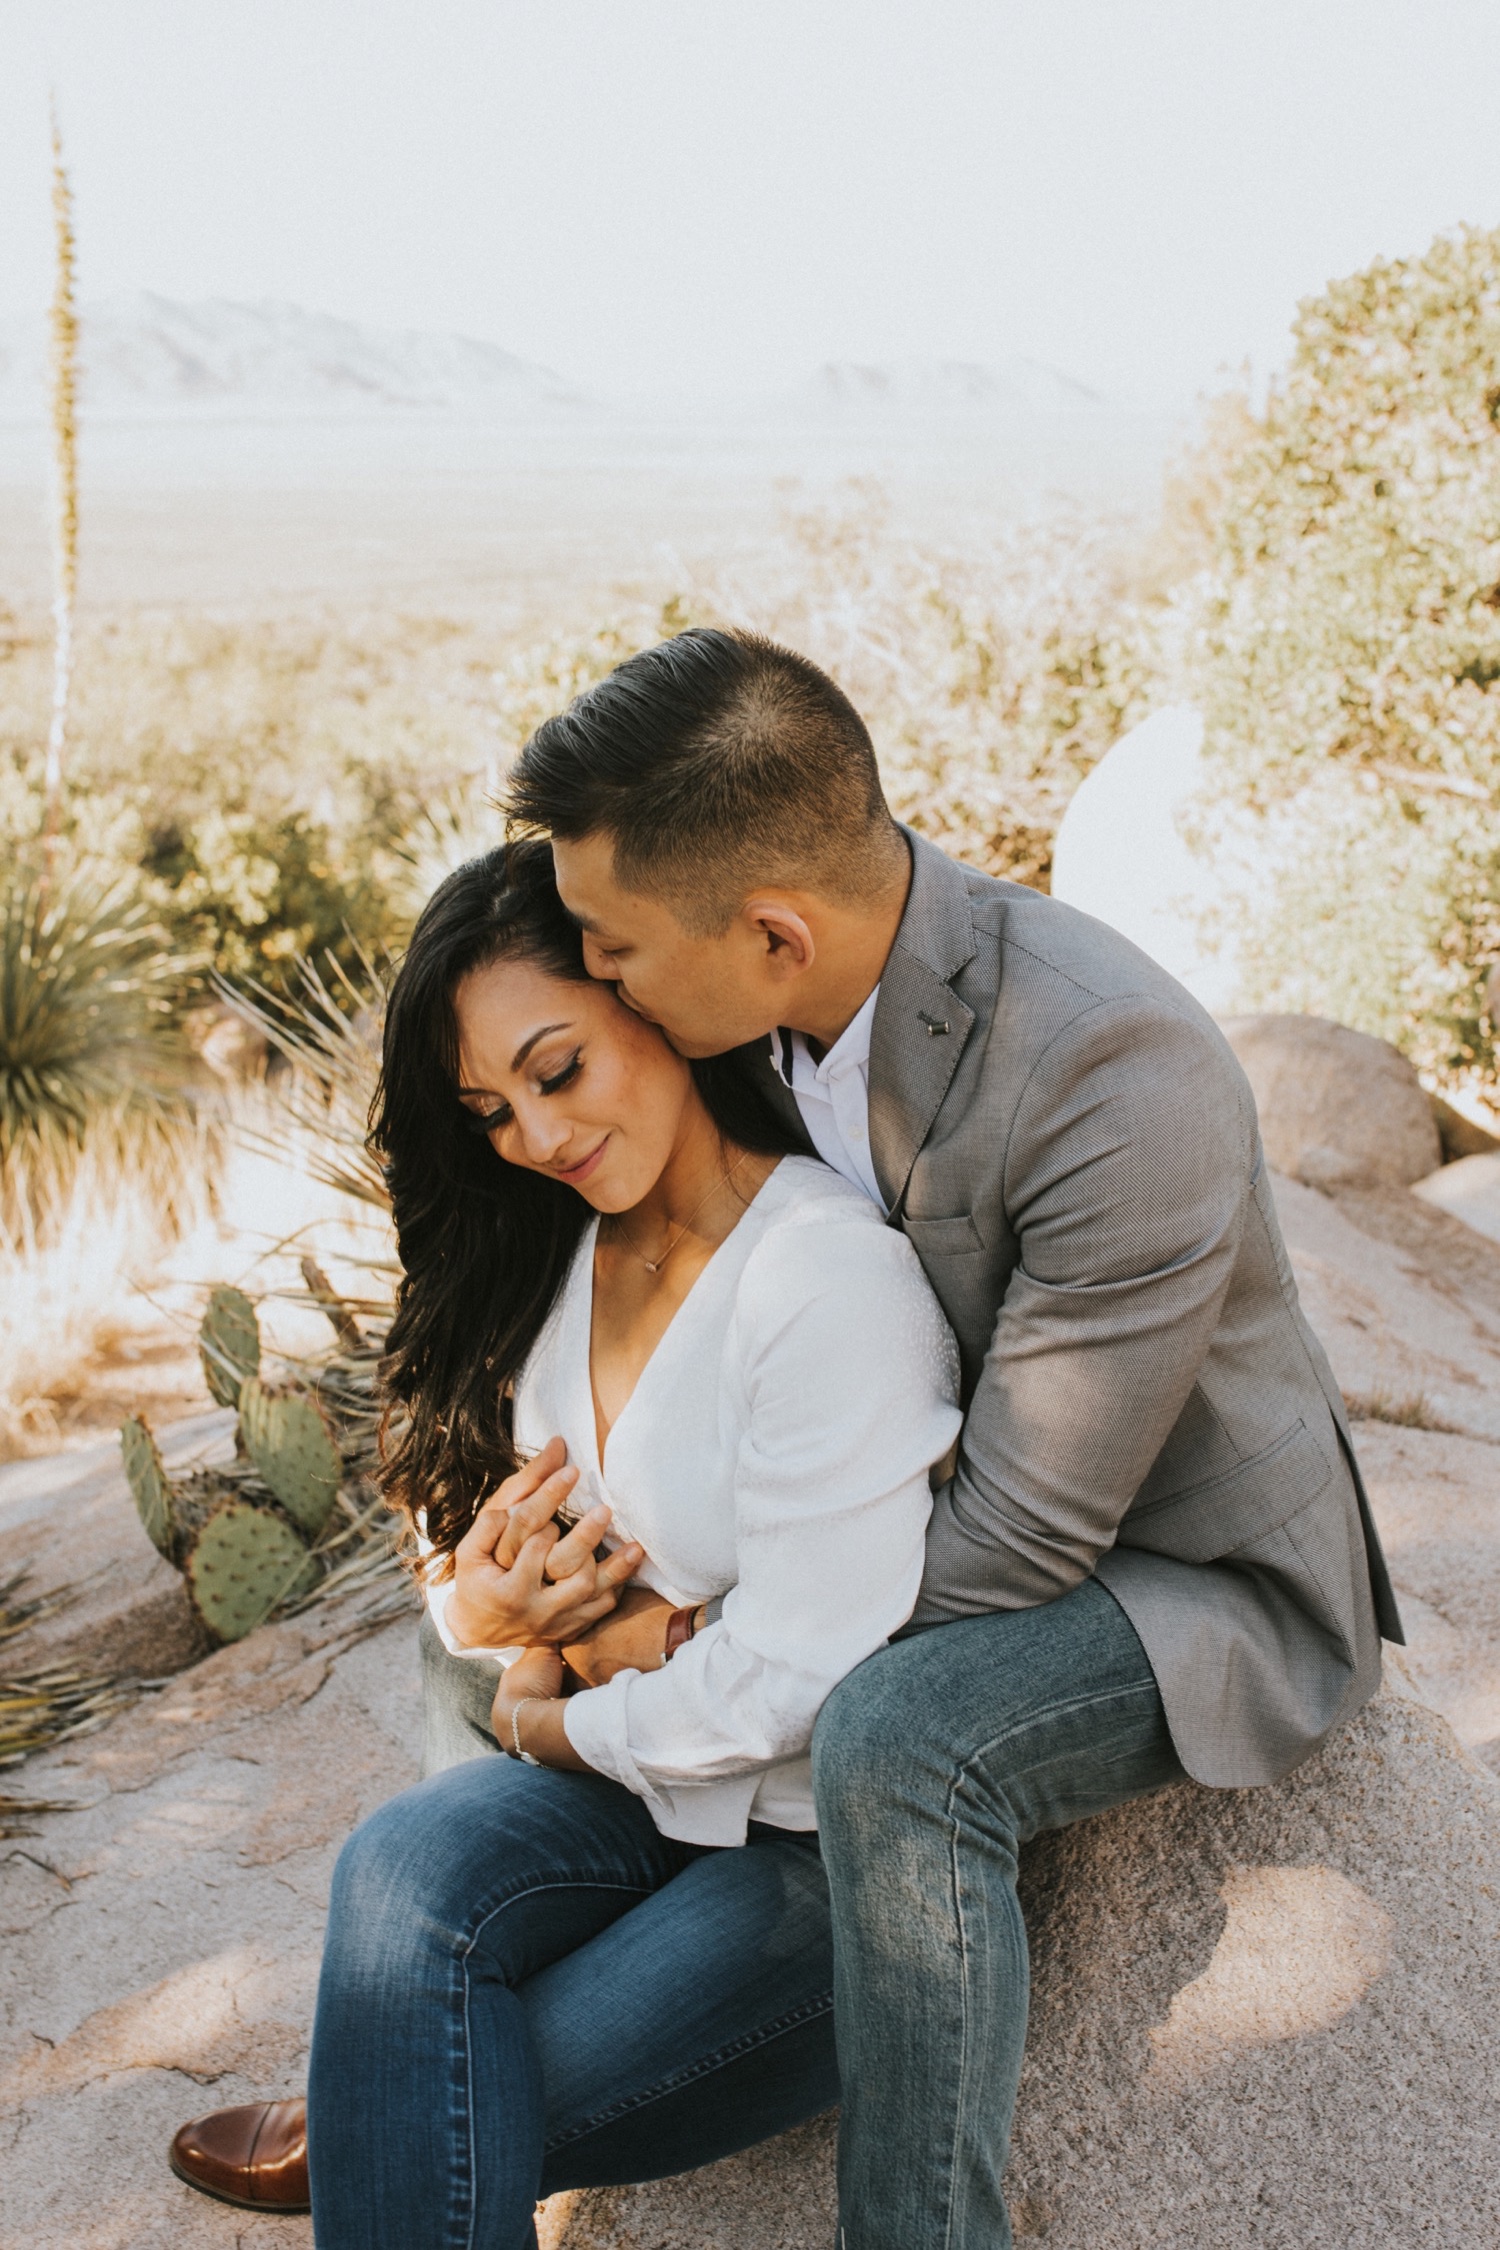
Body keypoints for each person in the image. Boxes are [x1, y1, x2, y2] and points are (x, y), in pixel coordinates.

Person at [175, 626, 1402, 2248]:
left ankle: (443, 2109)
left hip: (1166, 1567)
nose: (598, 973)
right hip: (850, 1552)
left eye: (609, 956)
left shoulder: (1119, 1064)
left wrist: (657, 1647)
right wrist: (518, 1614)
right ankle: (412, 2071)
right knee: (424, 1803)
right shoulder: (741, 1019)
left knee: (896, 1731)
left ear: (766, 931)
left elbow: (1026, 1537)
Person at [170, 836, 960, 2245]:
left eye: (557, 1069)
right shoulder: (558, 1242)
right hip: (644, 1794)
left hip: (807, 1851)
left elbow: (800, 1685)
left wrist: (549, 1701)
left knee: (447, 2078)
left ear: (649, 1002)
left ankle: (356, 2103)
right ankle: (375, 2091)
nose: (533, 1134)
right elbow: (471, 1547)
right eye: (489, 1108)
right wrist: (499, 1618)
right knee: (399, 1870)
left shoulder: (826, 1278)